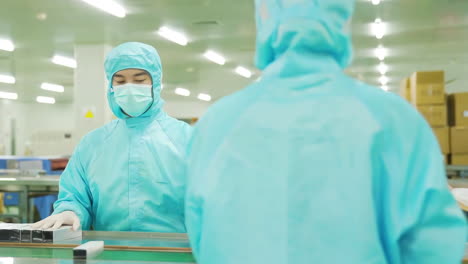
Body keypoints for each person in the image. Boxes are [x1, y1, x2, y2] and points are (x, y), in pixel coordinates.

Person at [184, 0, 467, 263]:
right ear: (341, 17)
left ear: (264, 16)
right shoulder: (393, 119)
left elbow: (200, 230)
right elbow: (431, 242)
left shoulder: (218, 123)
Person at [33, 42, 192, 232]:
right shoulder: (93, 144)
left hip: (174, 255)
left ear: (156, 83)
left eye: (139, 80)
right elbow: (76, 196)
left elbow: (209, 201)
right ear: (110, 85)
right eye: (121, 81)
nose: (130, 87)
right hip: (109, 253)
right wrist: (71, 211)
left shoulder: (187, 139)